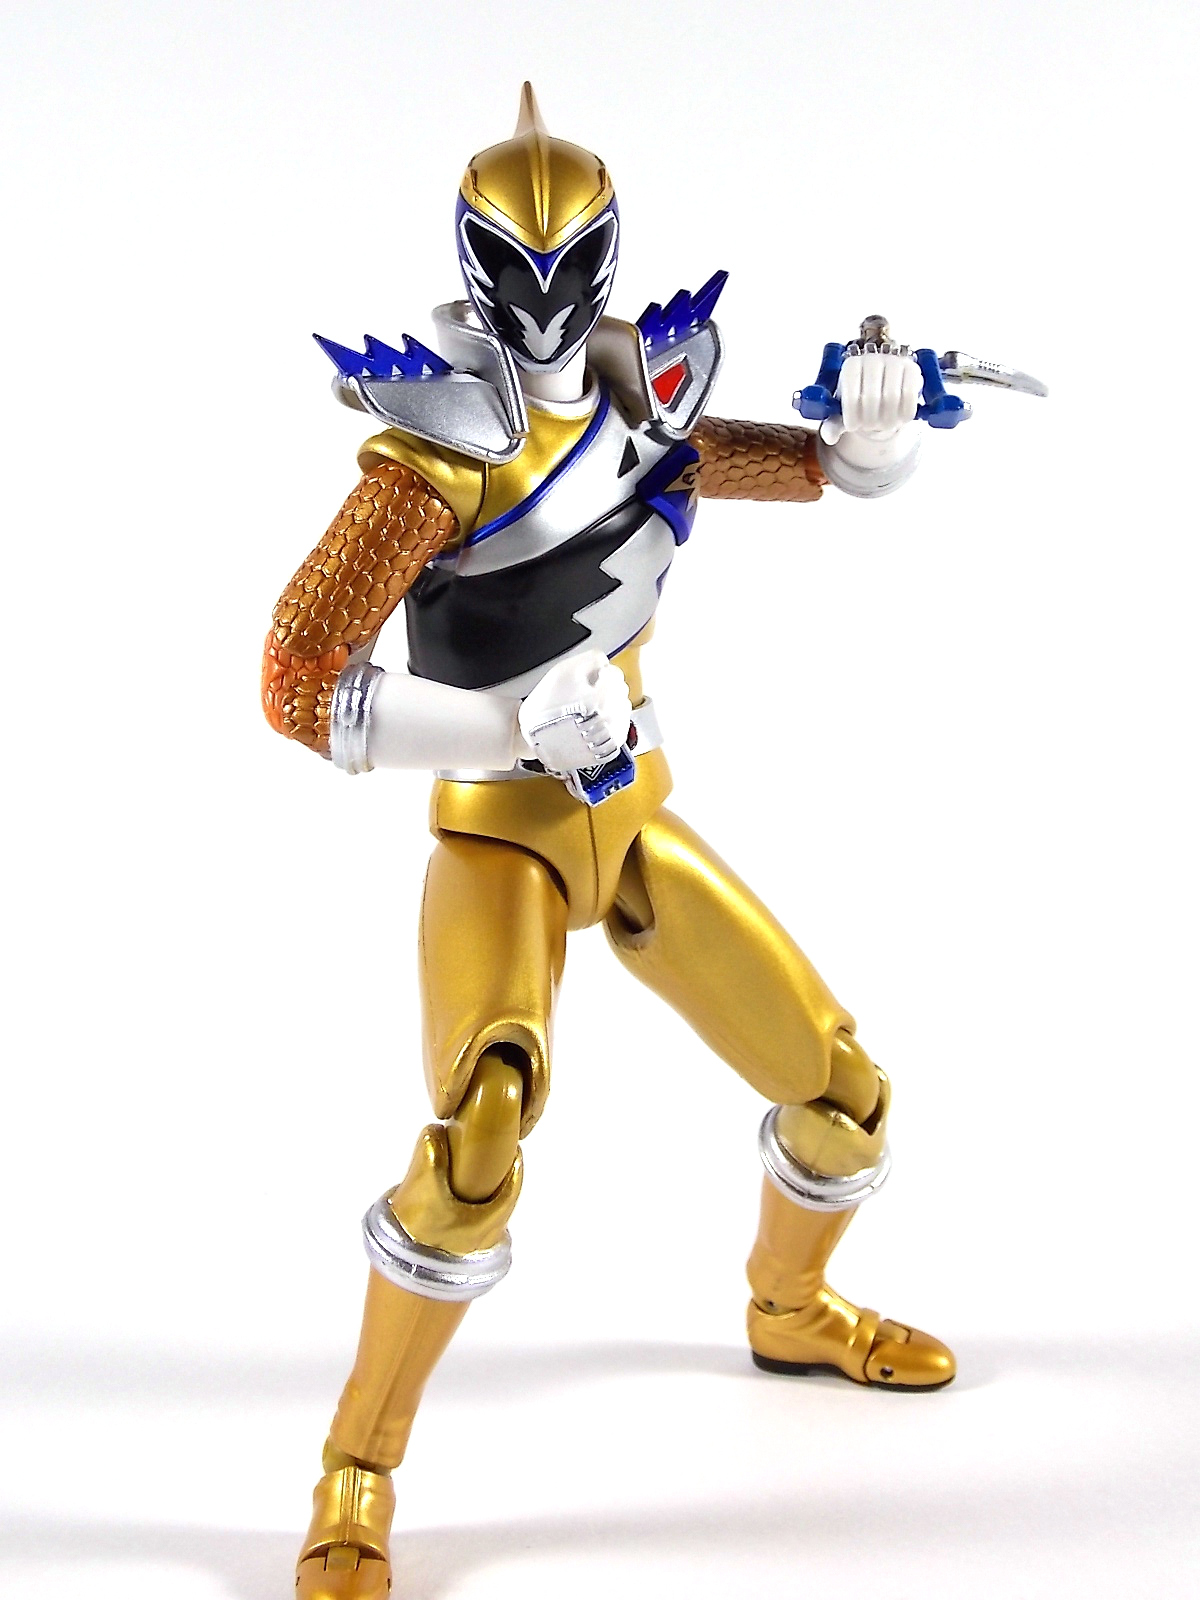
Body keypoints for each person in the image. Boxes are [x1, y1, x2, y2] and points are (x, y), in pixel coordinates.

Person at [265, 83, 958, 1600]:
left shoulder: (654, 409)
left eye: (574, 266)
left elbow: (811, 467)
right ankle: (358, 1463)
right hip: (501, 838)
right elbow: (300, 681)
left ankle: (790, 1308)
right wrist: (507, 728)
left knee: (844, 1095)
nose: (547, 303)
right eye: (517, 269)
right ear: (471, 262)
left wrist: (877, 433)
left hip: (631, 816)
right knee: (481, 1132)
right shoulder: (437, 455)